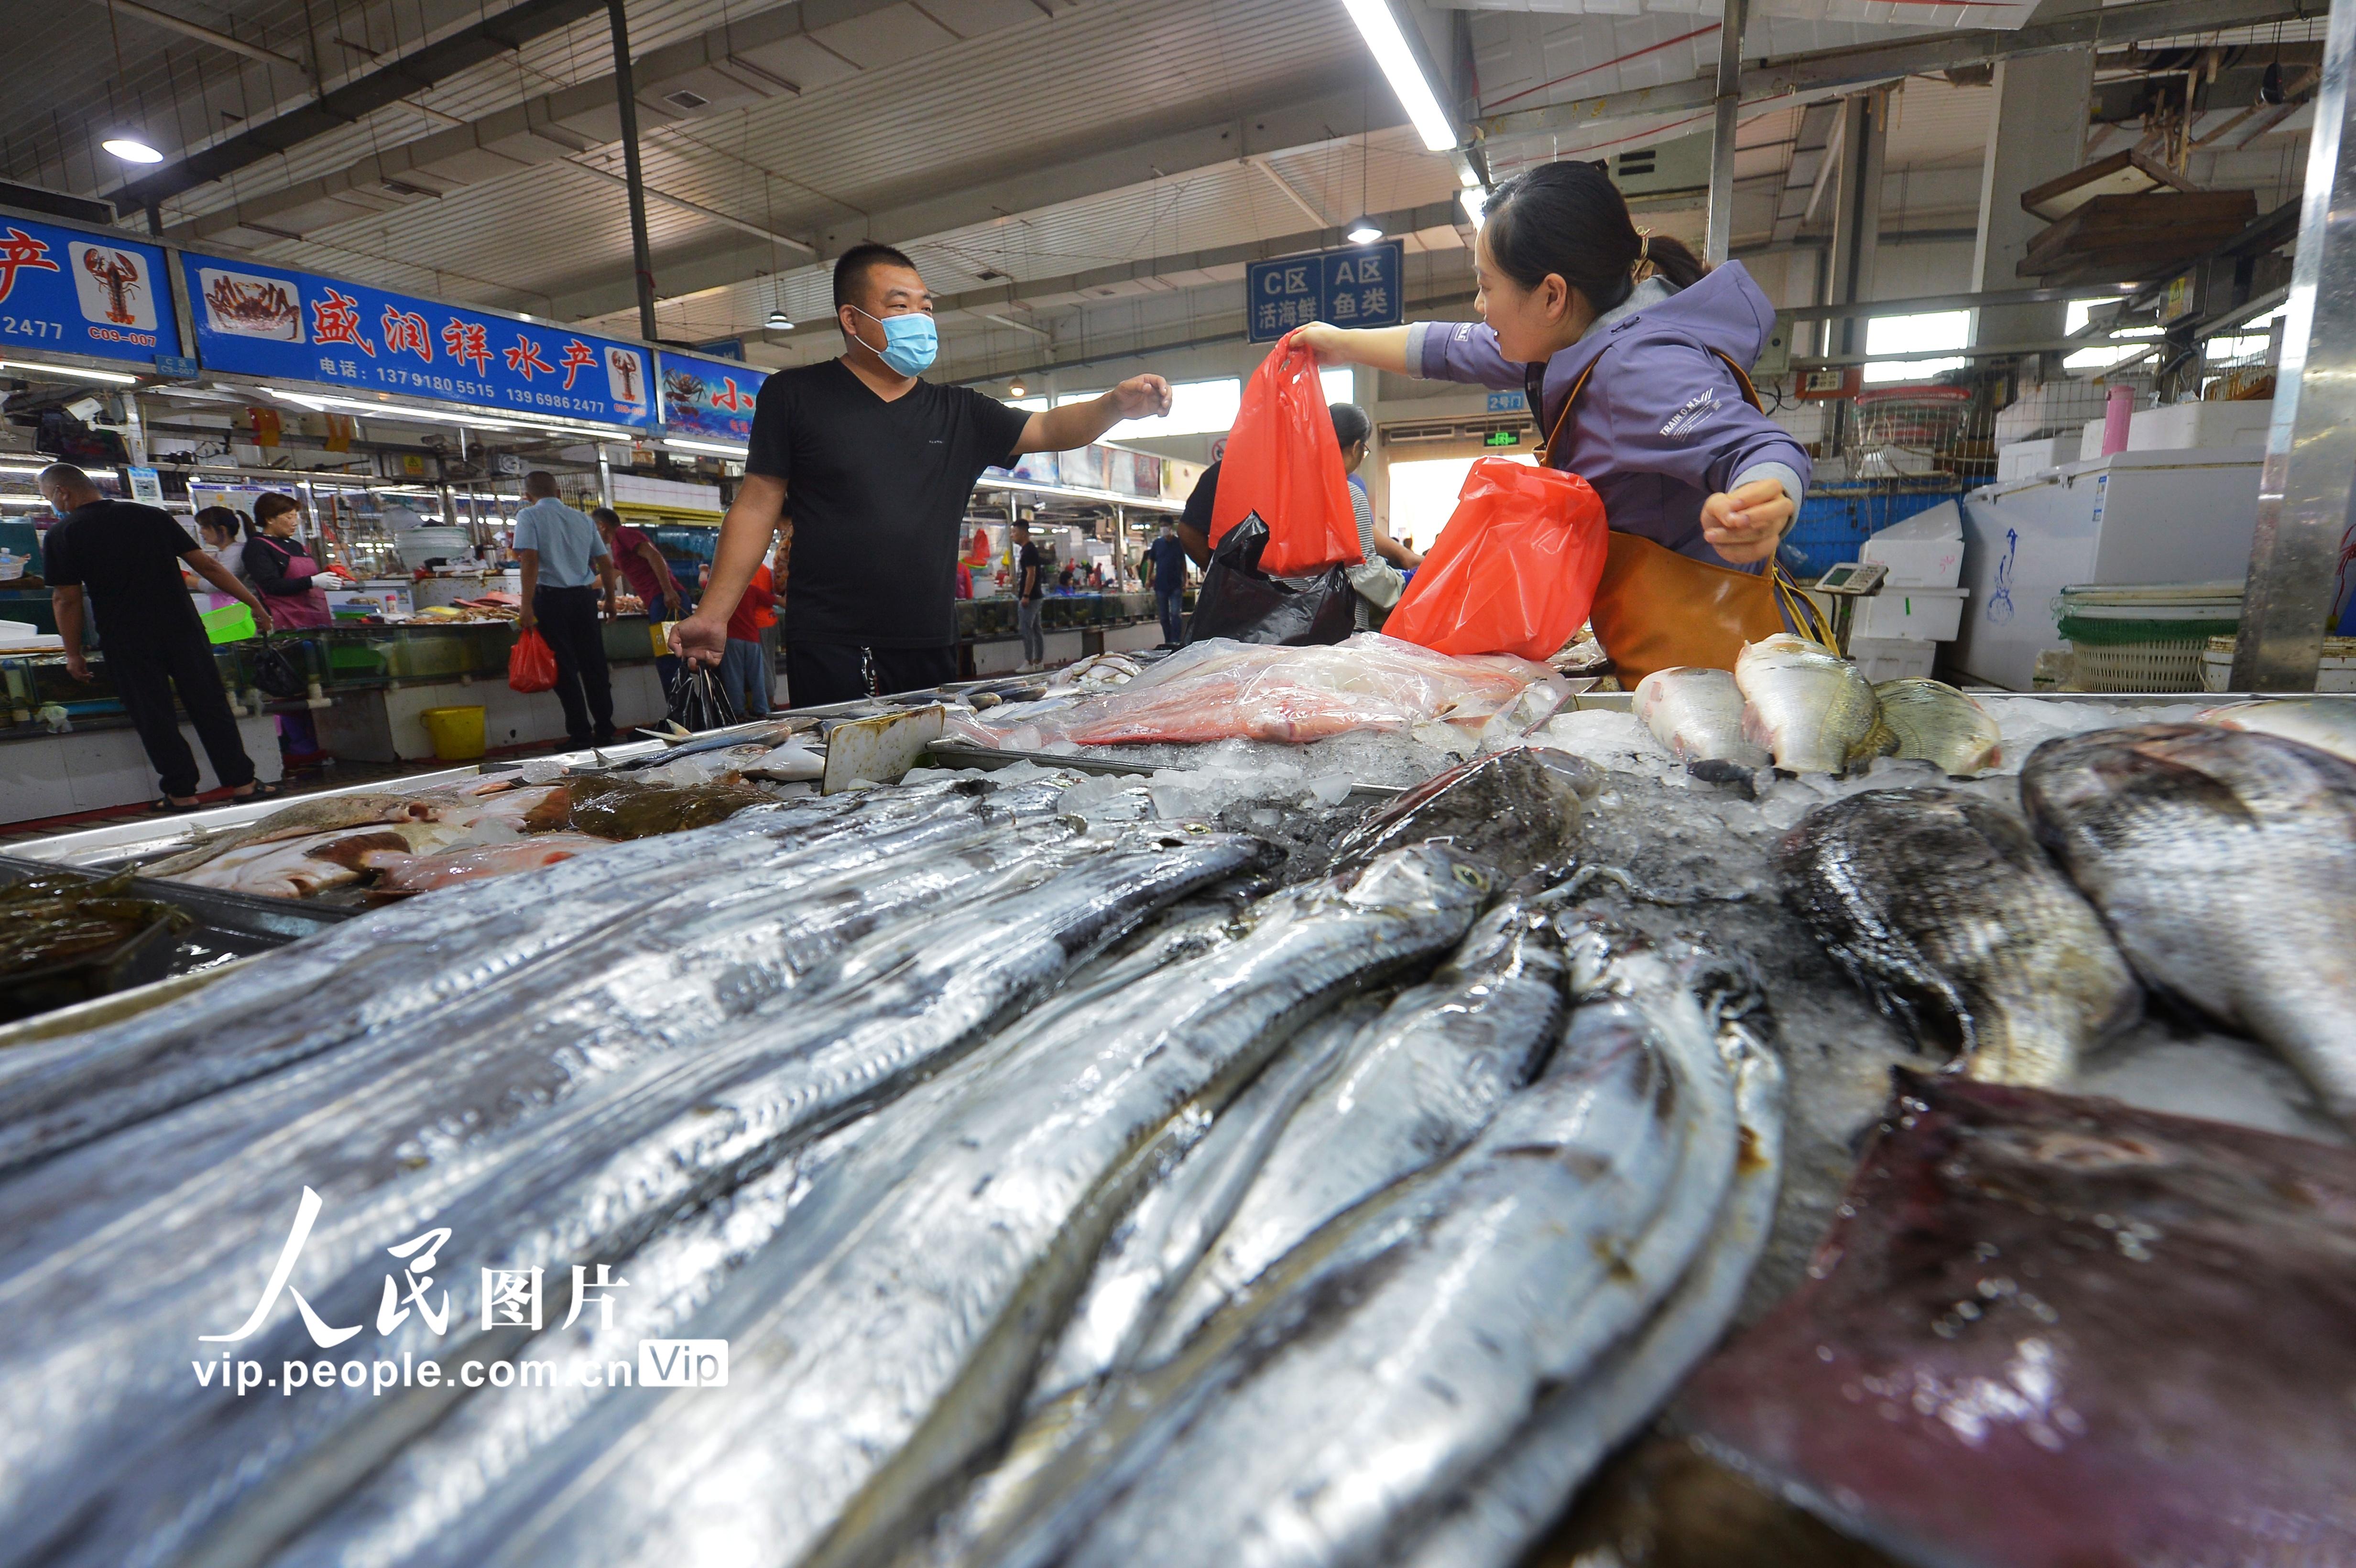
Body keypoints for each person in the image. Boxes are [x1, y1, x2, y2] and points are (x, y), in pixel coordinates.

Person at [668, 242, 1174, 707]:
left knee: (927, 778)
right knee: (842, 784)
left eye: (926, 307)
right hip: (830, 638)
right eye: (899, 305)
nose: (920, 318)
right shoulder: (794, 396)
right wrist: (713, 615)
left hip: (929, 638)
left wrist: (1113, 405)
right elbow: (757, 505)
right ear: (852, 318)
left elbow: (1048, 427)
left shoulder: (960, 413)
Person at [1291, 160, 1806, 573]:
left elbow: (1759, 445)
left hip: (1709, 649)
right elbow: (1450, 348)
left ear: (1551, 296)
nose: (1478, 305)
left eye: (1485, 286)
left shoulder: (1634, 368)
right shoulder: (1571, 342)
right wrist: (1340, 343)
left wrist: (1758, 504)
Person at [39, 463, 279, 810]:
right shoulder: (152, 516)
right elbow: (208, 567)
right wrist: (254, 603)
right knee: (210, 705)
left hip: (126, 638)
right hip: (182, 629)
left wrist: (72, 653)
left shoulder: (63, 533)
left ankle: (182, 793)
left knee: (154, 715)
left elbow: (66, 599)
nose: (52, 504)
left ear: (63, 492)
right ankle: (243, 783)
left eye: (49, 497)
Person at [513, 471, 621, 747]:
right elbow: (606, 564)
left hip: (550, 601)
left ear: (528, 496)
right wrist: (610, 600)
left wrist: (525, 606)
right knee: (594, 664)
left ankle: (581, 735)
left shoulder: (528, 516)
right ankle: (606, 730)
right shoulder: (584, 520)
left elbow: (529, 559)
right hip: (585, 600)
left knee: (565, 668)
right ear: (560, 493)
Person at [1330, 403, 1407, 629]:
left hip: (1284, 628)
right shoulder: (1349, 495)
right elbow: (1364, 572)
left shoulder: (1282, 494)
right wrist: (1408, 583)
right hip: (1338, 630)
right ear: (1355, 447)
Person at [240, 494, 335, 630]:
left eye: (296, 516)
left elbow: (304, 578)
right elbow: (270, 585)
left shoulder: (296, 546)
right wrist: (312, 581)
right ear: (270, 519)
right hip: (283, 620)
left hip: (314, 616)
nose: (295, 522)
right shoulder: (257, 546)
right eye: (289, 517)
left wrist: (328, 577)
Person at [594, 506, 684, 621]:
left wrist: (668, 591)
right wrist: (580, 586)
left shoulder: (623, 533)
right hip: (657, 599)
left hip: (664, 598)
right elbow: (609, 576)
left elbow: (654, 556)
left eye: (594, 530)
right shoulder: (619, 548)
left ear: (602, 526)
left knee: (673, 639)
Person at [720, 569, 775, 718]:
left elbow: (704, 582)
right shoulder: (751, 590)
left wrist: (704, 572)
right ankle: (762, 710)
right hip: (752, 638)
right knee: (757, 677)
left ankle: (738, 712)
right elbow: (772, 600)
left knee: (734, 677)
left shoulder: (723, 591)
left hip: (732, 639)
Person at [1146, 518, 1188, 644]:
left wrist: (1185, 581)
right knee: (1164, 616)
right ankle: (1168, 640)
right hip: (1161, 585)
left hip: (1176, 584)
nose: (1163, 528)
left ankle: (1176, 640)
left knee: (1176, 614)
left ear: (1171, 527)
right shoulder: (1157, 544)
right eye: (1161, 525)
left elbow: (1183, 563)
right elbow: (1151, 562)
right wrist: (1148, 579)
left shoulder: (1179, 543)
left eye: (1165, 525)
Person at [1013, 518, 1046, 671]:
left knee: (1027, 629)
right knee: (1037, 629)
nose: (1012, 535)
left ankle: (1029, 662)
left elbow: (1031, 573)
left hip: (1031, 597)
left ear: (1024, 533)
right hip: (1037, 595)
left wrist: (1026, 595)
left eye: (1015, 532)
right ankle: (1039, 661)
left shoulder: (1029, 550)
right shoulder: (1029, 550)